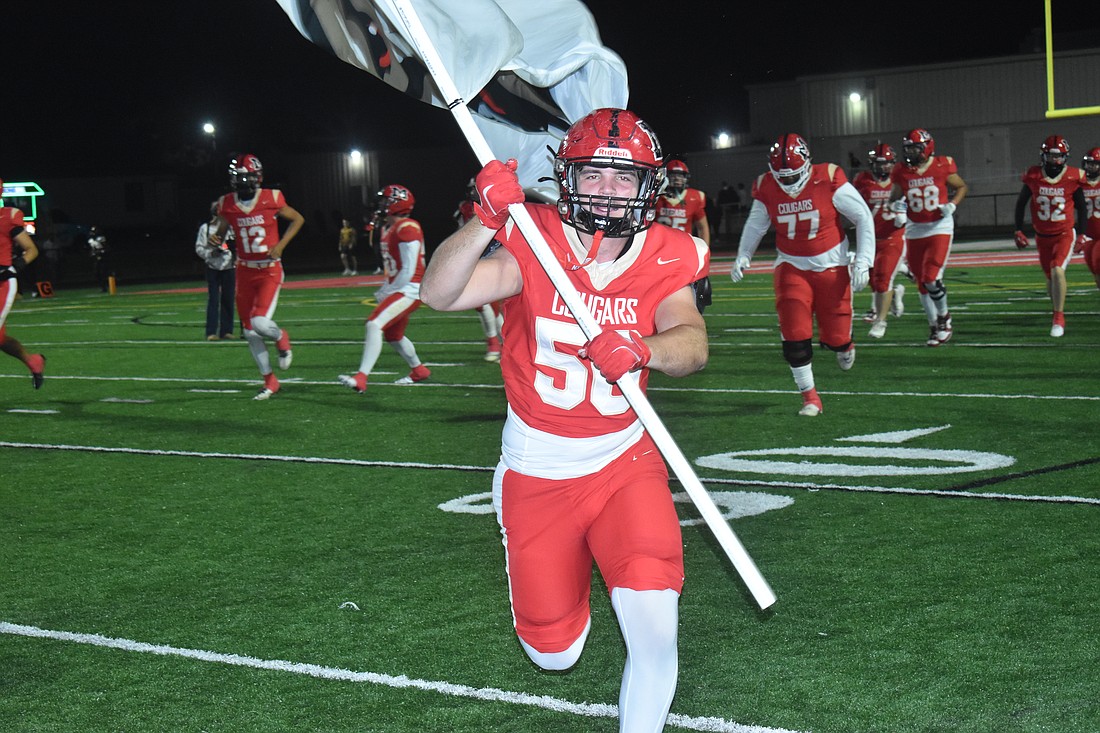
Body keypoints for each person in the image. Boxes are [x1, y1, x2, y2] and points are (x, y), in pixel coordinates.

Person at [420, 108, 708, 733]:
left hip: (624, 460)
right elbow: (438, 294)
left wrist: (644, 350)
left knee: (656, 631)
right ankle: (538, 565)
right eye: (594, 177)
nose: (608, 192)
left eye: (623, 179)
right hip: (538, 469)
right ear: (567, 179)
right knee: (554, 655)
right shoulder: (535, 238)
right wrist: (484, 220)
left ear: (648, 187)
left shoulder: (669, 254)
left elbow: (692, 344)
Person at [731, 133, 874, 416]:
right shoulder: (767, 185)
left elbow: (862, 216)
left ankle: (845, 344)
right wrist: (743, 254)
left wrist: (864, 261)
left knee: (837, 338)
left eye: (792, 175)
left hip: (832, 265)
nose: (786, 182)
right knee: (794, 334)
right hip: (792, 264)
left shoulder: (829, 176)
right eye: (781, 177)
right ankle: (810, 398)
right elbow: (756, 224)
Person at [211, 154, 305, 400]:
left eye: (246, 177)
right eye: (238, 177)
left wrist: (282, 244)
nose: (242, 182)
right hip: (243, 270)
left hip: (268, 269)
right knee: (250, 333)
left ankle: (281, 337)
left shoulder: (271, 197)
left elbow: (297, 219)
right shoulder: (227, 203)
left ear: (257, 178)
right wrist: (217, 238)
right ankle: (270, 381)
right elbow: (223, 225)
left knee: (261, 324)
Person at [337, 184, 431, 392]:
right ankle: (419, 370)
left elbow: (408, 267)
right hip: (402, 286)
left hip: (411, 287)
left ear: (396, 204)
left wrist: (390, 290)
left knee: (373, 324)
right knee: (393, 336)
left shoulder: (407, 227)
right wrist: (386, 287)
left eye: (385, 201)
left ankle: (361, 377)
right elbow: (395, 267)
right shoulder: (388, 228)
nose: (380, 206)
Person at [889, 128, 968, 346]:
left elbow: (961, 186)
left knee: (931, 277)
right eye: (908, 149)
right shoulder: (901, 171)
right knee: (922, 283)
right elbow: (894, 198)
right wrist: (897, 208)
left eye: (915, 148)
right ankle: (934, 327)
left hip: (939, 226)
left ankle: (944, 318)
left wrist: (953, 204)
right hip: (915, 229)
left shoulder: (943, 164)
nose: (911, 153)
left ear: (927, 147)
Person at [1013, 135, 1090, 338]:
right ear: (1043, 156)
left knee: (1057, 269)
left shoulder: (1073, 177)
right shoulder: (1034, 175)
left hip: (1064, 233)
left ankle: (1058, 316)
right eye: (1051, 157)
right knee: (1050, 276)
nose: (1055, 161)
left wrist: (1082, 234)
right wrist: (1018, 229)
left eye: (1059, 157)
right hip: (1042, 236)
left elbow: (1082, 208)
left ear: (1065, 158)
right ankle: (1056, 308)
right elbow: (1021, 204)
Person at [852, 143, 908, 338]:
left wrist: (904, 215)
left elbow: (914, 201)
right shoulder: (862, 180)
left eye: (886, 164)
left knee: (883, 281)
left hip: (893, 237)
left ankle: (880, 322)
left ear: (893, 163)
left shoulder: (900, 179)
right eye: (878, 163)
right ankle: (895, 295)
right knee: (874, 283)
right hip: (870, 239)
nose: (882, 167)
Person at [1, 180, 46, 388]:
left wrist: (13, 269)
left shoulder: (7, 216)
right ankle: (32, 360)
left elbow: (31, 250)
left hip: (2, 283)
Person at [453, 178, 503, 361]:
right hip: (474, 253)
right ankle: (502, 342)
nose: (472, 193)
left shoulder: (496, 205)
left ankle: (494, 343)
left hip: (491, 253)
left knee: (484, 302)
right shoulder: (465, 207)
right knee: (487, 304)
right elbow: (461, 230)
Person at [656, 159, 712, 313]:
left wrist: (704, 253)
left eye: (680, 175)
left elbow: (702, 227)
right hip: (658, 253)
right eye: (673, 175)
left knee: (696, 296)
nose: (677, 179)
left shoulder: (694, 197)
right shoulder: (655, 198)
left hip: (684, 254)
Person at [195, 203, 236, 340]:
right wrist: (211, 254)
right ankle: (211, 332)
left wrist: (231, 249)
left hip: (229, 266)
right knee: (213, 299)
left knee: (228, 299)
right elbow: (199, 248)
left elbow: (235, 244)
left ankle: (227, 331)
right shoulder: (205, 228)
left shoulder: (230, 228)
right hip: (213, 267)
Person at [1077, 147, 1100, 290]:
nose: (1091, 167)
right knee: (1095, 272)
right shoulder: (1079, 184)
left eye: (1094, 164)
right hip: (1089, 236)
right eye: (1089, 164)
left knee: (1098, 267)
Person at [87, 225, 113, 292]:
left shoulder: (101, 238)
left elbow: (107, 248)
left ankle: (107, 285)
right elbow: (92, 249)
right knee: (96, 273)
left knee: (103, 272)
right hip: (96, 258)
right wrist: (92, 253)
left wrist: (101, 252)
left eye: (94, 231)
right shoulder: (91, 240)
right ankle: (102, 286)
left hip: (103, 257)